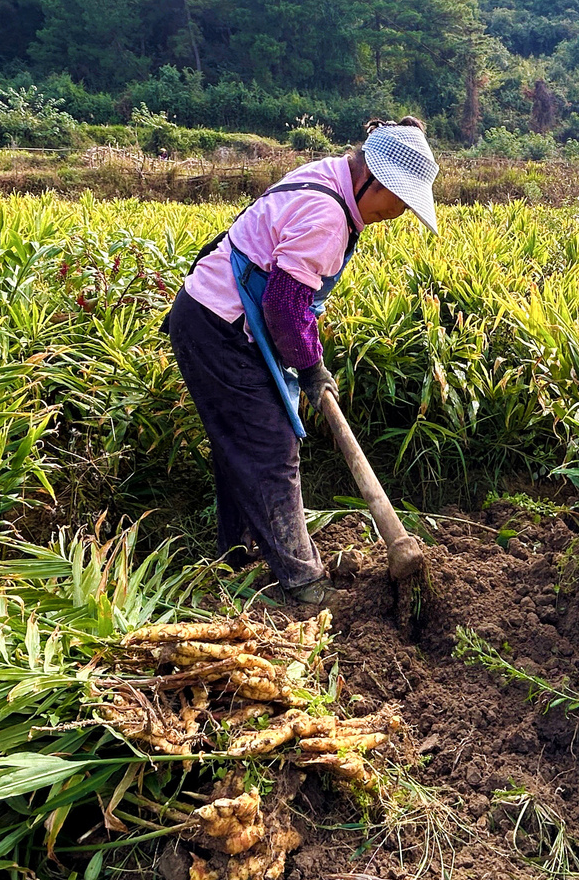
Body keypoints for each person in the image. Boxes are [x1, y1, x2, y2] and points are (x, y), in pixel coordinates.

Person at [163, 118, 439, 602]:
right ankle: (304, 583)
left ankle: (238, 553)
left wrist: (309, 363)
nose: (396, 214)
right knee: (270, 448)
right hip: (219, 326)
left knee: (243, 440)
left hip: (211, 317)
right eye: (398, 200)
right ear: (372, 178)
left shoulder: (328, 174)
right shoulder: (328, 216)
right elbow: (285, 309)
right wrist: (311, 368)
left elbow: (287, 298)